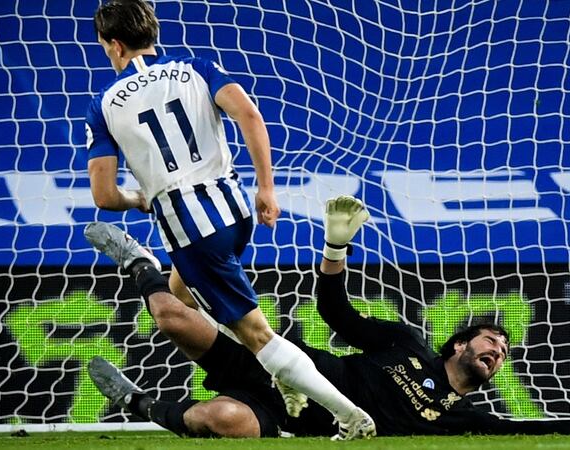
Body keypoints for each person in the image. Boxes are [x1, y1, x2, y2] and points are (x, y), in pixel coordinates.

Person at [88, 196, 570, 438]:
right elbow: (334, 309)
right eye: (490, 341)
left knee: (226, 420)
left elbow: (531, 431)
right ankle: (139, 260)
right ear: (458, 344)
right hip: (284, 367)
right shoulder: (406, 344)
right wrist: (336, 250)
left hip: (280, 414)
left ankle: (134, 404)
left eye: (504, 352)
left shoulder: (457, 417)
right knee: (169, 315)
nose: (498, 351)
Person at [83, 0, 374, 439]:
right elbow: (250, 116)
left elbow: (104, 196)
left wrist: (139, 199)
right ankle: (279, 373)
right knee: (181, 298)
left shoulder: (104, 105)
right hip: (235, 209)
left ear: (115, 44)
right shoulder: (196, 68)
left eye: (105, 45)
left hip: (192, 228)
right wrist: (267, 189)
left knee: (255, 332)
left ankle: (351, 417)